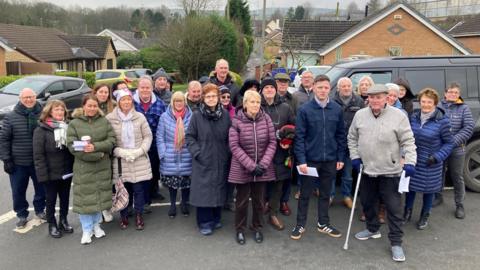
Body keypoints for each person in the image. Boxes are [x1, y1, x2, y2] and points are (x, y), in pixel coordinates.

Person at [348, 84, 417, 262]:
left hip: (390, 171)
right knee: (368, 203)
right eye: (372, 97)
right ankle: (372, 229)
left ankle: (396, 242)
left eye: (379, 97)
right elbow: (352, 138)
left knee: (393, 209)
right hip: (367, 170)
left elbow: (408, 141)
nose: (375, 100)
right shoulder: (360, 115)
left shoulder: (398, 116)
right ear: (367, 99)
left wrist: (410, 162)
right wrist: (355, 157)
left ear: (387, 98)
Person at [290, 75, 346, 241]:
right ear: (313, 87)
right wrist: (302, 161)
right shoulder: (305, 110)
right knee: (305, 194)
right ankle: (300, 224)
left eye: (326, 87)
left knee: (325, 194)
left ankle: (323, 223)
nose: (323, 90)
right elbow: (299, 137)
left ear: (330, 89)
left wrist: (340, 157)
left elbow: (341, 135)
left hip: (330, 160)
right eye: (320, 87)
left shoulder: (336, 109)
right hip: (310, 161)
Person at [229, 90, 276, 244]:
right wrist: (251, 165)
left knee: (259, 201)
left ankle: (257, 227)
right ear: (245, 104)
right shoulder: (237, 121)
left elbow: (272, 142)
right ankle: (240, 229)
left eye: (257, 102)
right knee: (241, 202)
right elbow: (234, 146)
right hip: (243, 169)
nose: (255, 105)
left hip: (262, 169)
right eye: (252, 102)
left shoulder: (266, 118)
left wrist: (262, 164)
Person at [67, 95, 115, 245]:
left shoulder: (104, 121)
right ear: (83, 106)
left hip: (102, 168)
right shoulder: (74, 123)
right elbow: (72, 146)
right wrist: (97, 155)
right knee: (85, 199)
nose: (92, 108)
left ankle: (96, 225)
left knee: (98, 197)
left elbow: (112, 140)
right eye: (90, 105)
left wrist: (96, 148)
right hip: (84, 167)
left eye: (95, 106)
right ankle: (87, 230)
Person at [404, 88, 454, 230]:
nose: (425, 105)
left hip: (431, 162)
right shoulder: (413, 116)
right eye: (423, 101)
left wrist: (437, 157)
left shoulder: (442, 121)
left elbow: (449, 143)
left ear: (435, 103)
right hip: (414, 160)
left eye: (429, 102)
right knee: (410, 189)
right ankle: (407, 212)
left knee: (429, 191)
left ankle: (424, 215)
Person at [186, 83, 231, 236]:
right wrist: (197, 153)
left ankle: (216, 217)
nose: (211, 99)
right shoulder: (197, 115)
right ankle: (204, 222)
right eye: (208, 96)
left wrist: (228, 152)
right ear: (203, 98)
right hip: (203, 159)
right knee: (204, 192)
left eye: (214, 96)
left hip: (220, 158)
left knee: (218, 188)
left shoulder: (224, 115)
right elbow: (190, 137)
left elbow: (230, 136)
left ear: (218, 98)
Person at [106, 89, 153, 230]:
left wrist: (140, 151)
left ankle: (139, 215)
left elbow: (148, 136)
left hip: (138, 159)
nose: (126, 102)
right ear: (118, 102)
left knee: (139, 190)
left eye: (128, 99)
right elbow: (108, 139)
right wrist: (119, 151)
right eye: (123, 100)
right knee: (123, 190)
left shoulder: (139, 117)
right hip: (121, 161)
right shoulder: (110, 119)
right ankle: (124, 216)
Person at [0, 88, 46, 229]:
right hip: (18, 162)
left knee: (41, 189)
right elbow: (3, 139)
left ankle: (39, 210)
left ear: (35, 97)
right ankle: (21, 214)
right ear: (20, 99)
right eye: (25, 97)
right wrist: (6, 159)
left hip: (38, 161)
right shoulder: (11, 116)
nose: (28, 100)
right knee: (18, 190)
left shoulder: (43, 114)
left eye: (31, 97)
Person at [33, 100, 74, 238]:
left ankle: (63, 220)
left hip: (66, 170)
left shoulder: (67, 127)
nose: (59, 112)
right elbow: (38, 155)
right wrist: (43, 175)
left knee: (65, 198)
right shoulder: (41, 130)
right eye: (56, 109)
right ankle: (52, 224)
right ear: (50, 112)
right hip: (50, 173)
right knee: (50, 200)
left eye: (62, 110)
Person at [260, 79, 295, 231]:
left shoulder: (285, 107)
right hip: (261, 153)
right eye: (266, 87)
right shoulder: (256, 106)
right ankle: (260, 211)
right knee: (261, 185)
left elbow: (295, 127)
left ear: (275, 90)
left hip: (280, 153)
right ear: (261, 90)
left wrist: (288, 139)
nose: (269, 90)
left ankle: (273, 213)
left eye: (271, 87)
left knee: (278, 185)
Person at [436, 82, 474, 218]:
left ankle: (459, 204)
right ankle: (438, 196)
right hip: (440, 148)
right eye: (450, 92)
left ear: (459, 95)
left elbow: (469, 127)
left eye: (456, 92)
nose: (453, 94)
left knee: (457, 176)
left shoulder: (464, 108)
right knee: (439, 173)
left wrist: (452, 142)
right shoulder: (438, 107)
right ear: (445, 93)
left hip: (457, 149)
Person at [157, 91, 193, 218]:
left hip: (187, 154)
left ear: (185, 102)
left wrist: (192, 152)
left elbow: (194, 136)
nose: (179, 103)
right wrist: (163, 153)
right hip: (170, 155)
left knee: (185, 183)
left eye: (181, 101)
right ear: (172, 102)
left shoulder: (191, 116)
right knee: (172, 184)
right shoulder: (164, 117)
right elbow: (160, 137)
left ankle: (184, 203)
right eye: (176, 101)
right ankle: (172, 204)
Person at [133, 76, 167, 209]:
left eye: (148, 87)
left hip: (153, 145)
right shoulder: (131, 102)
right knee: (141, 174)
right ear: (138, 88)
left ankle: (154, 192)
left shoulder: (160, 104)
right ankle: (143, 199)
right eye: (142, 87)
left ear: (152, 88)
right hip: (137, 145)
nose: (145, 90)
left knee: (154, 170)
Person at [331, 77, 365, 208]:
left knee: (348, 174)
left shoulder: (359, 101)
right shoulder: (332, 101)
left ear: (352, 87)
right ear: (338, 88)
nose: (346, 88)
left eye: (348, 86)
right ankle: (330, 195)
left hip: (351, 145)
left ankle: (346, 196)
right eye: (343, 86)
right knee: (332, 173)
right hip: (335, 144)